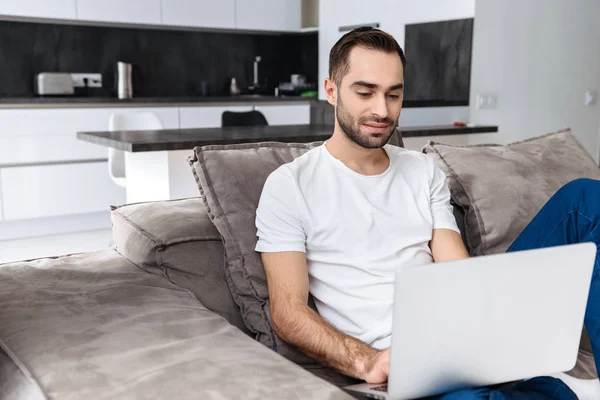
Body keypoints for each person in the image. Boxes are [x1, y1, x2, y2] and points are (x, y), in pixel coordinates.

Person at [254, 26, 599, 399]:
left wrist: (490, 324)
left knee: (584, 200)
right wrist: (367, 362)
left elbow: (457, 273)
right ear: (331, 90)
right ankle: (553, 391)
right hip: (404, 362)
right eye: (365, 92)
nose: (381, 110)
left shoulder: (421, 170)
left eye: (393, 94)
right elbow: (288, 312)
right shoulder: (289, 185)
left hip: (458, 333)